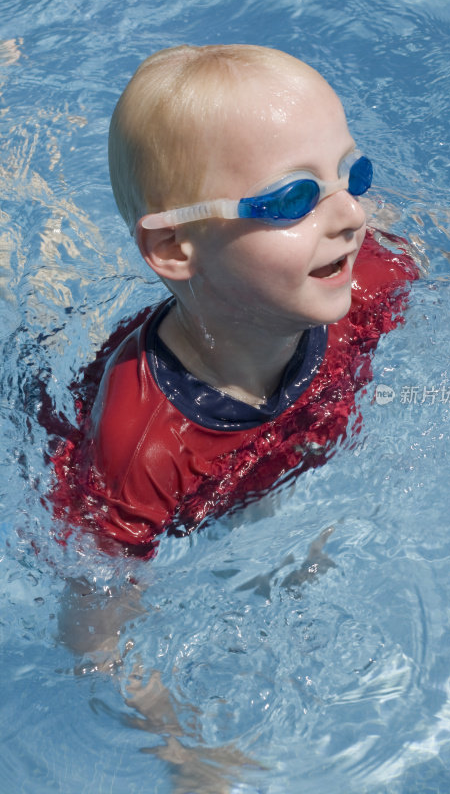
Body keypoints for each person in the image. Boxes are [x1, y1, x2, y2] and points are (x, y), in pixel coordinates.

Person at [51, 44, 418, 558]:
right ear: (174, 248)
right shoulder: (142, 450)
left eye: (351, 175)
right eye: (295, 198)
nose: (354, 216)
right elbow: (100, 605)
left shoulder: (364, 282)